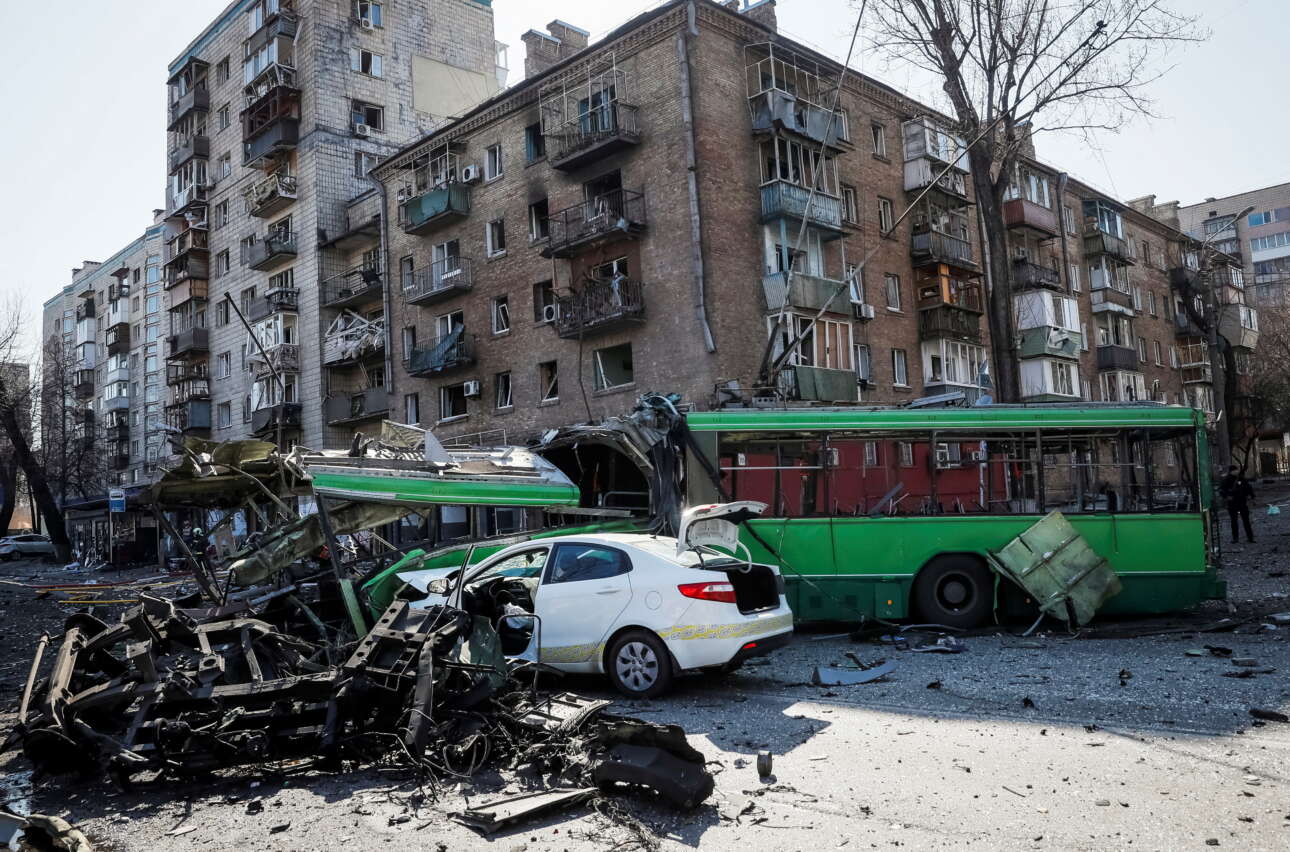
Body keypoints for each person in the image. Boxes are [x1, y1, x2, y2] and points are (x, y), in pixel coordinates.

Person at [1219, 465, 1256, 544]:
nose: (1236, 471)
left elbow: (1248, 487)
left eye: (1237, 470)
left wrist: (1252, 496)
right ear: (1231, 471)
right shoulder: (1226, 480)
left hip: (1242, 502)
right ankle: (1235, 538)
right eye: (1235, 470)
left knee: (1246, 521)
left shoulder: (1241, 478)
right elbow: (1221, 490)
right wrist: (1227, 496)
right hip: (1232, 503)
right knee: (1234, 521)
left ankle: (1250, 537)